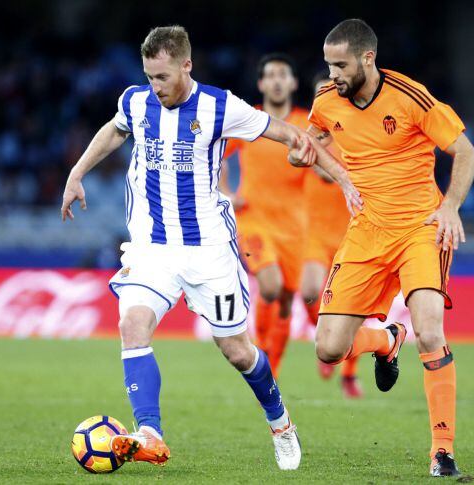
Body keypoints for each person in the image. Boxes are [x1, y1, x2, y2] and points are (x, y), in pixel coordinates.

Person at [61, 25, 360, 471]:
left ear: (186, 65)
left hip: (209, 251)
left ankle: (280, 423)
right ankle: (149, 433)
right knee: (133, 323)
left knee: (238, 351)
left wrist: (327, 165)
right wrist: (76, 173)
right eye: (148, 76)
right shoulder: (136, 101)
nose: (154, 87)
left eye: (162, 77)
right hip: (151, 247)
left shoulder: (220, 106)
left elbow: (281, 131)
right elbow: (114, 129)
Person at [298, 19, 474, 476]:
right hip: (366, 232)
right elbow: (314, 141)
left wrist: (452, 206)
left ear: (367, 58)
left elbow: (466, 152)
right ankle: (385, 341)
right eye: (328, 65)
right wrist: (330, 171)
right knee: (328, 349)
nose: (332, 74)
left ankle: (442, 451)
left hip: (421, 228)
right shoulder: (325, 100)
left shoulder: (410, 96)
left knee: (431, 330)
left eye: (340, 65)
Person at [219, 53, 310, 379]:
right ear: (260, 83)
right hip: (253, 221)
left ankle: (271, 368)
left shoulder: (306, 123)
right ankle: (257, 350)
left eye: (282, 74)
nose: (276, 80)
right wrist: (226, 193)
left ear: (293, 82)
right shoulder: (251, 121)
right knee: (270, 286)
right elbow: (217, 155)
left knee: (285, 300)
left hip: (295, 227)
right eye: (269, 75)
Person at [301, 73, 363, 399]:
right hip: (315, 233)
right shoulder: (308, 134)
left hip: (350, 232)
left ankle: (349, 374)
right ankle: (322, 337)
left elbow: (327, 176)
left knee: (353, 309)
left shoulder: (351, 133)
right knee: (310, 290)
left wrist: (315, 159)